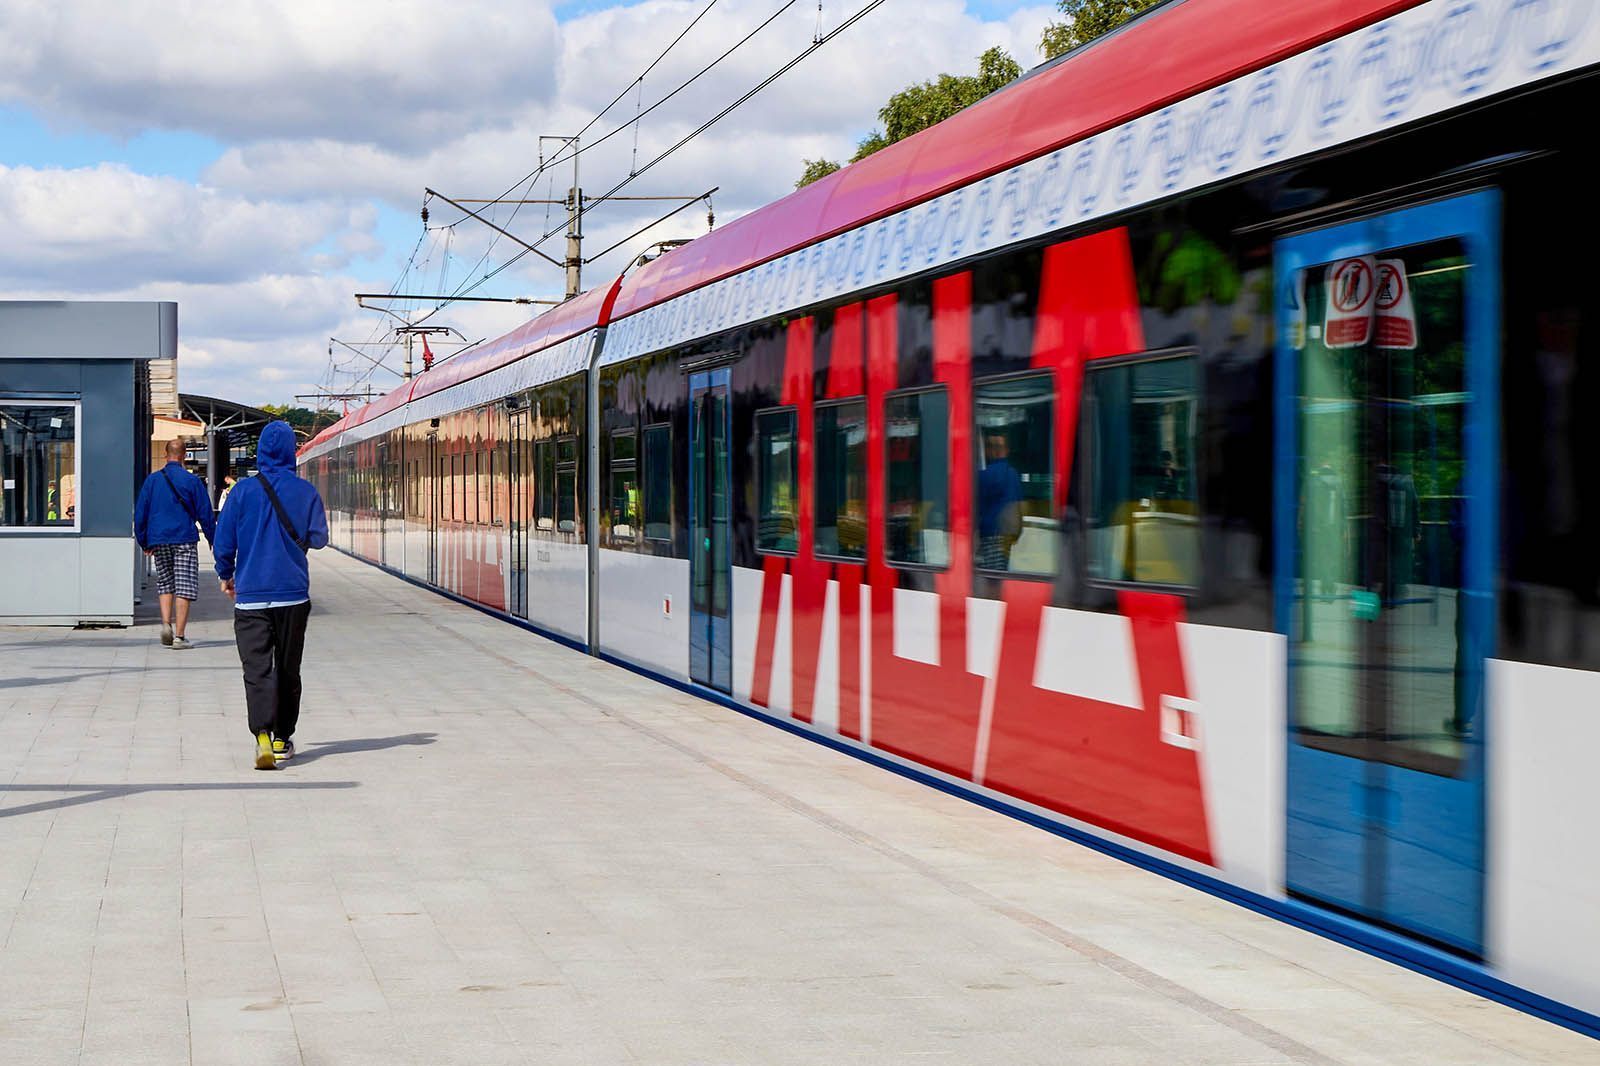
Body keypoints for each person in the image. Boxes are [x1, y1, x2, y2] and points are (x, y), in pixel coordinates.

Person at [213, 421, 329, 770]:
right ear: (291, 452)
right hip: (292, 596)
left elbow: (223, 541)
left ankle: (261, 735)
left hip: (250, 597)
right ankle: (282, 738)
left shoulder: (242, 492)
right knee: (288, 669)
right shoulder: (305, 491)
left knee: (257, 670)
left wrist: (225, 574)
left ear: (261, 451)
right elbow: (319, 538)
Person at [134, 438, 217, 650]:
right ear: (184, 456)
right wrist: (212, 539)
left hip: (159, 540)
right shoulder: (192, 481)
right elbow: (205, 514)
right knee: (184, 586)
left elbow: (141, 514)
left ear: (165, 454)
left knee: (165, 583)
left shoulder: (152, 481)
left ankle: (165, 624)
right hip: (184, 539)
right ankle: (179, 637)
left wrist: (144, 541)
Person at [977, 429, 1024, 571]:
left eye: (996, 447)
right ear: (1007, 450)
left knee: (991, 579)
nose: (995, 450)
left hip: (989, 535)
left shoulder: (983, 474)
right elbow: (1019, 506)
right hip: (1009, 537)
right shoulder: (1013, 473)